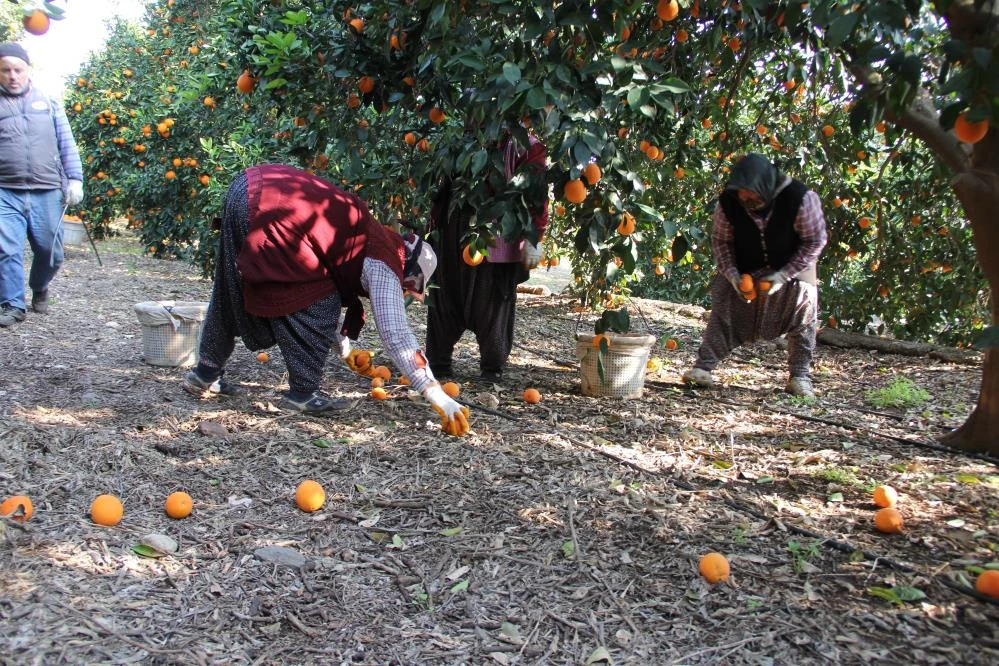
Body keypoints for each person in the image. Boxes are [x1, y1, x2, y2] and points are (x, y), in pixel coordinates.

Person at [182, 164, 470, 436]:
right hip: (271, 210)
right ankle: (303, 394)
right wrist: (435, 393)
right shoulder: (386, 262)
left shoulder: (371, 237)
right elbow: (396, 335)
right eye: (408, 286)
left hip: (250, 188)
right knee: (319, 304)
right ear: (408, 270)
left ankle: (205, 373)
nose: (403, 291)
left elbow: (323, 277)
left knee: (231, 290)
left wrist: (345, 351)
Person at [682, 153, 827, 397]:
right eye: (742, 195)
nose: (746, 200)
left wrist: (782, 276)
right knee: (724, 301)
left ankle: (800, 377)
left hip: (792, 264)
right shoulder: (728, 202)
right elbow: (721, 242)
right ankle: (703, 368)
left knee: (803, 306)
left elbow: (815, 241)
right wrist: (732, 276)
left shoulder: (801, 199)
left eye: (753, 196)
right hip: (747, 263)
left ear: (767, 188)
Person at [426, 132, 548, 382]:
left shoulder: (525, 147)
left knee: (492, 300)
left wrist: (534, 235)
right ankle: (439, 363)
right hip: (452, 231)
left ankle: (491, 367)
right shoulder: (462, 140)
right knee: (446, 297)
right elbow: (443, 186)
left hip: (495, 234)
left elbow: (536, 193)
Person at [0, 42, 84, 327]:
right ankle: (13, 304)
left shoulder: (48, 102)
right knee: (6, 250)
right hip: (5, 190)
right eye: (5, 70)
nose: (12, 76)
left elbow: (66, 143)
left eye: (18, 69)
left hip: (47, 189)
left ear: (28, 70)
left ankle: (39, 285)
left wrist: (75, 179)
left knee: (51, 253)